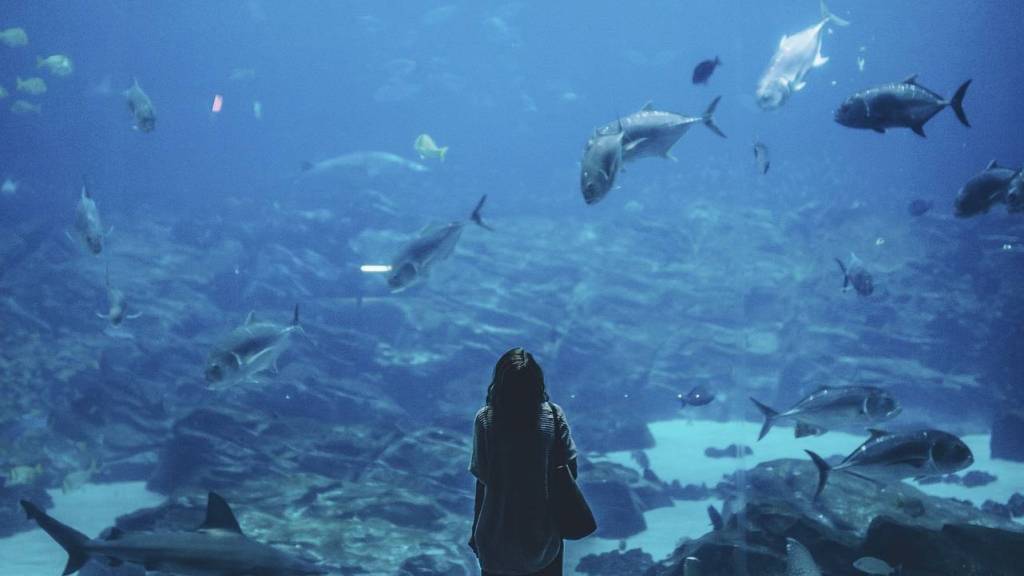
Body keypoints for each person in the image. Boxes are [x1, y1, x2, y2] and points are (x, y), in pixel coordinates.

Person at [469, 347, 578, 576]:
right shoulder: (553, 416)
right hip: (543, 533)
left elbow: (482, 480)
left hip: (495, 532)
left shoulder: (486, 420)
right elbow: (570, 471)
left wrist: (475, 531)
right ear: (536, 382)